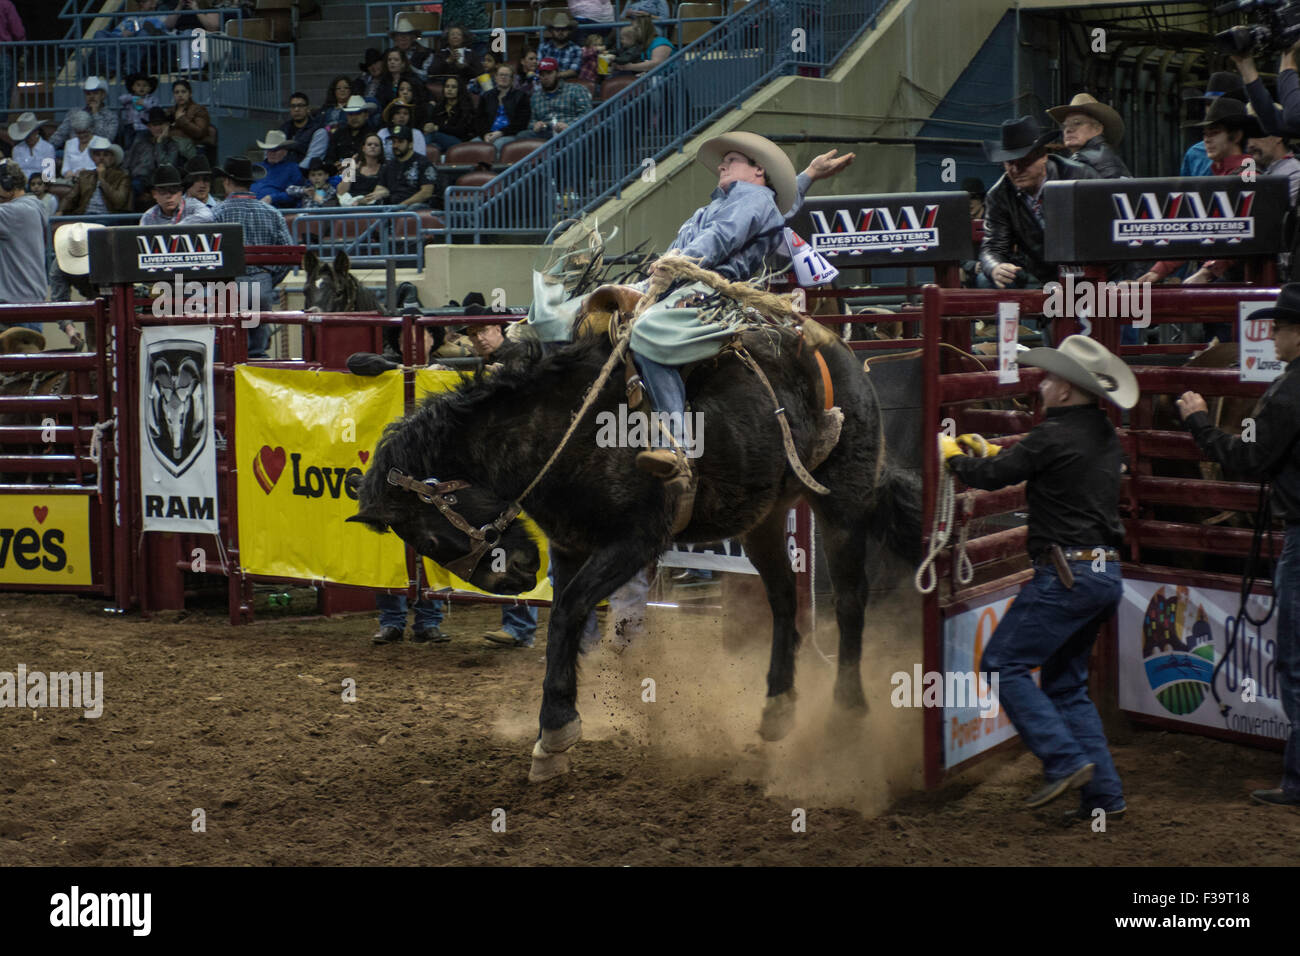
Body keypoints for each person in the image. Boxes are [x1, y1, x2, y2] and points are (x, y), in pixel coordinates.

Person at [942, 335, 1137, 818]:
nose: (1043, 385)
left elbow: (995, 477)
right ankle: (1104, 797)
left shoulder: (1052, 435)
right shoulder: (1101, 433)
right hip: (1102, 573)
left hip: (1066, 575)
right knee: (1066, 686)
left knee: (1001, 664)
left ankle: (1064, 760)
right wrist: (989, 453)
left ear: (1068, 390)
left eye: (1049, 379)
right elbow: (1032, 465)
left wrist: (953, 459)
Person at [1176, 283, 1300, 809]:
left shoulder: (1290, 392)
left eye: (1279, 327)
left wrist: (1199, 421)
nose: (1271, 334)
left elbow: (1247, 457)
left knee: (1294, 663)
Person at [1136, 98, 1253, 295]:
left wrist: (1208, 271)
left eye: (1215, 133)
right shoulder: (1226, 175)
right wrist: (1159, 270)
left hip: (1235, 282)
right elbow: (1193, 228)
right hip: (1227, 280)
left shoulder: (1246, 176)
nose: (1207, 139)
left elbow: (1241, 232)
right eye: (1205, 134)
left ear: (1236, 135)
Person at [978, 116, 1100, 290]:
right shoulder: (999, 194)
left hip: (1087, 271)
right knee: (987, 279)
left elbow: (1103, 234)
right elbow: (992, 247)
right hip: (1038, 274)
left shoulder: (1080, 178)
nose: (1016, 170)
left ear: (1043, 157)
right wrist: (995, 267)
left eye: (1024, 162)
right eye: (1010, 162)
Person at [212, 156, 292, 358]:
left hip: (229, 284)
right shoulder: (272, 213)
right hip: (261, 283)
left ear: (227, 182)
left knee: (229, 346)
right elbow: (288, 251)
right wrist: (268, 278)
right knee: (257, 348)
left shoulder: (217, 213)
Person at [0, 160, 49, 323]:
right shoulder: (34, 205)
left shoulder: (13, 212)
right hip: (27, 303)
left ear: (7, 184)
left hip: (15, 308)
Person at [124, 107, 195, 210]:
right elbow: (127, 164)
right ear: (149, 127)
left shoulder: (172, 145)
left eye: (161, 124)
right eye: (154, 125)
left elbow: (166, 165)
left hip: (162, 184)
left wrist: (160, 143)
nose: (158, 128)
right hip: (140, 183)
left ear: (167, 126)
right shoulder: (140, 143)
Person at [1045, 93, 1130, 178]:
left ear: (1097, 129)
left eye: (1077, 123)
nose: (1068, 130)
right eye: (1065, 125)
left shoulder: (1081, 160)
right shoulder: (1109, 156)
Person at [1180, 73, 1246, 178]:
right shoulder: (1194, 154)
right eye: (1208, 103)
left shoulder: (1254, 149)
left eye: (1219, 104)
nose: (1212, 109)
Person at [521, 58, 592, 142]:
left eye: (549, 73)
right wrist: (535, 125)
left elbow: (587, 114)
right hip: (545, 132)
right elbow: (532, 121)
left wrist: (569, 125)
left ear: (557, 74)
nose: (545, 77)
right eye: (542, 74)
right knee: (522, 136)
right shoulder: (535, 97)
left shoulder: (576, 89)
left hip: (570, 131)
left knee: (574, 136)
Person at [57, 137, 130, 216]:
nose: (101, 158)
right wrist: (61, 210)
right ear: (93, 158)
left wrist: (101, 179)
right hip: (85, 215)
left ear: (112, 158)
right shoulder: (85, 175)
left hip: (109, 217)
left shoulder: (122, 177)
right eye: (98, 155)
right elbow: (71, 197)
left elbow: (119, 202)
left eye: (106, 155)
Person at [1243, 104, 1300, 205]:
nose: (1250, 144)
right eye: (1248, 136)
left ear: (1278, 136)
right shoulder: (1258, 171)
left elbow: (1271, 215)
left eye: (1258, 134)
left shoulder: (1294, 174)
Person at [374, 125, 437, 208]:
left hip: (414, 209)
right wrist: (365, 200)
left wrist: (402, 206)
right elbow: (379, 189)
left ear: (410, 144)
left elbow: (426, 192)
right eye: (393, 142)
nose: (395, 145)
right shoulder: (388, 165)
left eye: (400, 141)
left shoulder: (423, 163)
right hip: (391, 209)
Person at [477, 63, 532, 155]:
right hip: (488, 134)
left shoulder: (521, 96)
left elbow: (521, 123)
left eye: (507, 75)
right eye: (501, 75)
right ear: (495, 77)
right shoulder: (486, 96)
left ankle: (494, 169)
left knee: (496, 145)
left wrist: (501, 133)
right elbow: (479, 119)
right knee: (472, 145)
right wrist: (485, 134)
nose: (503, 77)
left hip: (509, 135)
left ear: (512, 79)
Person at [50, 76, 118, 148]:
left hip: (98, 154)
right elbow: (60, 135)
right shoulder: (73, 113)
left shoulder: (111, 116)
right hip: (75, 152)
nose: (91, 97)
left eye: (95, 93)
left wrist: (95, 114)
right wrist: (48, 148)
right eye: (88, 94)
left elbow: (107, 139)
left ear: (103, 95)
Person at [138, 163, 215, 225]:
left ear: (181, 192)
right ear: (154, 194)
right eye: (163, 191)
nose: (169, 196)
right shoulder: (149, 217)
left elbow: (208, 216)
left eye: (173, 190)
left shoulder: (192, 205)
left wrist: (177, 228)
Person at [251, 130, 306, 208]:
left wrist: (272, 198)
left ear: (285, 152)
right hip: (249, 207)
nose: (272, 153)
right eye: (269, 150)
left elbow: (296, 194)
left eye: (276, 150)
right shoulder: (255, 167)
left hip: (275, 210)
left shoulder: (292, 168)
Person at [612, 10, 672, 75]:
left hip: (666, 77)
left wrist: (627, 67)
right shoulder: (639, 43)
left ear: (645, 29)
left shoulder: (661, 42)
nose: (633, 31)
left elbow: (655, 64)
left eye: (636, 29)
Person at [426, 75, 476, 151]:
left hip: (459, 142)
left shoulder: (465, 108)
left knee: (432, 135)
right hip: (441, 140)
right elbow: (433, 122)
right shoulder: (439, 107)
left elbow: (461, 131)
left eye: (453, 87)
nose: (449, 89)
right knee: (434, 147)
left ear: (459, 90)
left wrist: (438, 128)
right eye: (447, 86)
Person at [170, 79, 216, 159]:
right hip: (174, 149)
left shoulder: (198, 109)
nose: (180, 95)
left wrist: (181, 119)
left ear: (190, 93)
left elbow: (200, 133)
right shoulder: (171, 111)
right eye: (176, 92)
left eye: (183, 92)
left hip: (194, 147)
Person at [336, 133, 385, 206]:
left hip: (373, 208)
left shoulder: (385, 168)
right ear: (363, 148)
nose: (373, 146)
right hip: (351, 207)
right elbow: (341, 191)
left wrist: (362, 201)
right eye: (369, 144)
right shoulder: (355, 167)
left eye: (376, 145)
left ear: (381, 149)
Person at [325, 95, 375, 165]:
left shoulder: (372, 135)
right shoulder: (338, 133)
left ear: (366, 115)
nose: (354, 118)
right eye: (350, 114)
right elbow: (329, 158)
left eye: (358, 113)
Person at [119, 72, 160, 151]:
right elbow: (121, 99)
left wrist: (144, 103)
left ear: (150, 88)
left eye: (145, 85)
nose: (141, 88)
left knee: (140, 144)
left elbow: (155, 108)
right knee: (128, 145)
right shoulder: (130, 98)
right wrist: (132, 97)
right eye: (138, 85)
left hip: (144, 127)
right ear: (133, 87)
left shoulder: (151, 99)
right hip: (130, 127)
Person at [0, 0, 25, 127]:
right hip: (3, 52)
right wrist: (23, 45)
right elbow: (18, 30)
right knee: (3, 91)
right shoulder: (5, 4)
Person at [389, 13, 435, 79]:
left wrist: (409, 67)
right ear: (396, 39)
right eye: (400, 35)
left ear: (413, 38)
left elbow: (426, 76)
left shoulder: (426, 53)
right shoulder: (389, 54)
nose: (403, 39)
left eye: (406, 35)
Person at [538, 12, 583, 80]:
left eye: (564, 29)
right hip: (545, 83)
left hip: (567, 84)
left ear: (569, 31)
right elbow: (539, 66)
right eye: (557, 29)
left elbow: (574, 71)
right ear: (552, 31)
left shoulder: (576, 49)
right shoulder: (543, 47)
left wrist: (554, 76)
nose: (561, 32)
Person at [9, 113, 53, 181]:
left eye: (30, 135)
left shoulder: (48, 148)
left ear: (36, 132)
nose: (28, 138)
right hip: (21, 183)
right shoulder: (17, 149)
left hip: (41, 184)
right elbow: (15, 172)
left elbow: (49, 174)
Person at [60, 111, 97, 177]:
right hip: (72, 180)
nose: (82, 135)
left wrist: (87, 171)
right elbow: (64, 169)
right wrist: (68, 173)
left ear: (91, 129)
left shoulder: (101, 142)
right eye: (79, 133)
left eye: (85, 132)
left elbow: (104, 168)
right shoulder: (69, 144)